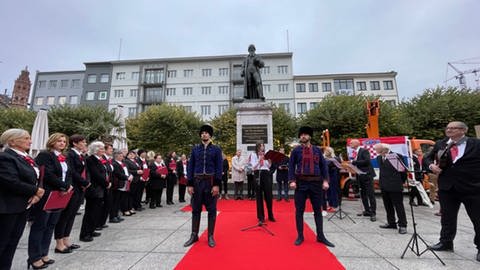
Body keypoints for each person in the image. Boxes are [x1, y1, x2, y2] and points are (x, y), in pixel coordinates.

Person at [424, 121, 480, 262]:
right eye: (448, 128)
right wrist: (431, 165)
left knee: (477, 218)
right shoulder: (441, 144)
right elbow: (427, 158)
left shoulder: (475, 144)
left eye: (453, 128)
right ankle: (446, 242)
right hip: (447, 187)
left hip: (472, 187)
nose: (449, 130)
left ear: (463, 130)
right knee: (447, 217)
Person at [0, 129, 45, 270]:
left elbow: (36, 176)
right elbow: (10, 181)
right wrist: (35, 190)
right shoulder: (5, 157)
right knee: (3, 242)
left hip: (23, 205)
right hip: (8, 207)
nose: (30, 141)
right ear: (12, 141)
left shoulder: (25, 157)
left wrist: (37, 194)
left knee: (13, 242)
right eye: (26, 138)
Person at [29, 133, 73, 268]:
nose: (62, 143)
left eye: (64, 141)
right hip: (48, 194)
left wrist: (68, 186)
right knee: (40, 226)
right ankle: (34, 257)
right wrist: (64, 186)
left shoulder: (63, 157)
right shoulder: (45, 155)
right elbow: (47, 174)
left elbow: (68, 174)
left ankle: (44, 253)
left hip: (60, 194)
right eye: (59, 141)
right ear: (52, 142)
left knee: (50, 225)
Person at [288, 126, 334, 247]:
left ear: (310, 136)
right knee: (299, 210)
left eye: (305, 134)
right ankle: (300, 236)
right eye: (301, 134)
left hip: (316, 183)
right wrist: (292, 180)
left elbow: (323, 166)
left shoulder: (318, 150)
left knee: (317, 210)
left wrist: (325, 181)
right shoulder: (296, 151)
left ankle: (320, 236)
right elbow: (291, 166)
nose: (303, 136)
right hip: (301, 184)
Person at [184, 125, 222, 248]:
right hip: (197, 182)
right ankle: (194, 235)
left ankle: (210, 236)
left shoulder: (216, 149)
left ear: (210, 135)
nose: (204, 135)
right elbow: (190, 167)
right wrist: (189, 184)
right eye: (202, 133)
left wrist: (216, 184)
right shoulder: (195, 149)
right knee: (195, 210)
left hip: (210, 182)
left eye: (206, 133)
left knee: (211, 210)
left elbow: (219, 168)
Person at [54, 134, 88, 256]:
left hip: (79, 188)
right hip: (71, 187)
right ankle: (59, 242)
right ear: (75, 143)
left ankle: (66, 239)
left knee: (72, 215)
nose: (85, 144)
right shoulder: (70, 155)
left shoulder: (80, 155)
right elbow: (72, 172)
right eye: (83, 142)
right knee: (65, 216)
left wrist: (85, 183)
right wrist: (83, 182)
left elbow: (84, 171)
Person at [374, 143, 408, 234]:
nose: (375, 151)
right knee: (388, 205)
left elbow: (403, 171)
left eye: (377, 149)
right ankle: (391, 222)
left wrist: (400, 182)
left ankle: (402, 225)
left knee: (398, 205)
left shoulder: (396, 156)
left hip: (395, 185)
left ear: (384, 149)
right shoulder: (379, 157)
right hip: (384, 185)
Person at [79, 141, 109, 242]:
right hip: (94, 189)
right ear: (95, 150)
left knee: (96, 211)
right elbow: (96, 174)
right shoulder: (90, 159)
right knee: (90, 212)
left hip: (100, 189)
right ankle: (85, 233)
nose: (103, 150)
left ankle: (91, 230)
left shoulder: (100, 159)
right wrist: (106, 183)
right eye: (101, 149)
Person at [349, 139, 377, 222]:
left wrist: (355, 162)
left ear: (357, 144)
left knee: (370, 194)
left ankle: (373, 213)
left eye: (351, 143)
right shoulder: (355, 152)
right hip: (360, 175)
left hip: (367, 175)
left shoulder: (364, 151)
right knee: (363, 193)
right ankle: (367, 210)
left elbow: (367, 161)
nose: (350, 144)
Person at [251, 142, 275, 223]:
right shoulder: (253, 155)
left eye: (263, 146)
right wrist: (259, 160)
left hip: (266, 174)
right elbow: (253, 167)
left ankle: (270, 215)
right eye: (261, 146)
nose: (262, 148)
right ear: (257, 147)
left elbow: (268, 166)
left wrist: (270, 162)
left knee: (268, 195)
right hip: (258, 173)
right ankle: (261, 217)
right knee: (259, 196)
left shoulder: (266, 154)